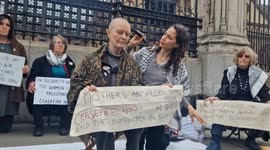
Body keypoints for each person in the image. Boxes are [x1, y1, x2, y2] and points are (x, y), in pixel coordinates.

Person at [67, 18, 143, 150]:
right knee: (104, 131)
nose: (124, 37)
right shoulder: (90, 59)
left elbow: (139, 87)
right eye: (119, 32)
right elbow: (75, 80)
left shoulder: (132, 63)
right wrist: (86, 87)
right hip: (100, 113)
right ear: (108, 33)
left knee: (137, 129)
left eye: (127, 34)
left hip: (125, 111)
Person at [128, 24, 205, 150]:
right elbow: (125, 62)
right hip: (139, 107)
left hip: (159, 113)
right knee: (135, 145)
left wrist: (190, 108)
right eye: (164, 34)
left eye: (169, 37)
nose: (163, 38)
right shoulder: (147, 52)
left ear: (177, 44)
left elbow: (178, 92)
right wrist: (130, 45)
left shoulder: (178, 66)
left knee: (155, 145)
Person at [204, 46, 270, 150]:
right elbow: (224, 90)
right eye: (240, 56)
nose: (243, 58)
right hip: (231, 106)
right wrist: (218, 98)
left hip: (250, 107)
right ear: (237, 58)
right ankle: (215, 141)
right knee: (217, 105)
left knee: (265, 108)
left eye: (246, 56)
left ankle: (251, 139)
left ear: (250, 59)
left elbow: (264, 93)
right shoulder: (229, 72)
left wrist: (267, 101)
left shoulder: (258, 74)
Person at [26, 35, 75, 136]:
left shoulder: (69, 63)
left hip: (62, 97)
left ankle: (64, 126)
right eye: (58, 43)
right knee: (34, 95)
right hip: (44, 97)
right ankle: (39, 126)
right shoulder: (40, 61)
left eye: (63, 43)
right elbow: (32, 77)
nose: (61, 45)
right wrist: (31, 83)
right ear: (52, 45)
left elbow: (74, 79)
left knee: (72, 97)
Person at [0, 14, 29, 133]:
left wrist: (25, 70)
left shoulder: (19, 46)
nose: (4, 27)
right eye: (1, 24)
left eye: (7, 25)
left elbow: (24, 67)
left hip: (10, 89)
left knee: (4, 129)